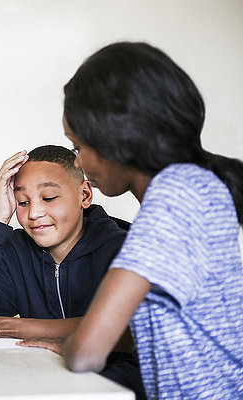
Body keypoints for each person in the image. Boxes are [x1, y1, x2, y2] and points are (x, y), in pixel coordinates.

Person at [16, 42, 243, 399]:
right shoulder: (195, 187)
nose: (78, 163)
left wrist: (72, 345)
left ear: (117, 138)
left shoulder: (177, 194)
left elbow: (87, 353)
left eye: (78, 147)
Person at [0, 145, 145, 398]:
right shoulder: (15, 251)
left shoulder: (124, 247)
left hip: (113, 385)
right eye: (23, 202)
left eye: (48, 198)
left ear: (85, 195)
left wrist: (0, 327)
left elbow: (127, 333)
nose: (34, 213)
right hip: (40, 380)